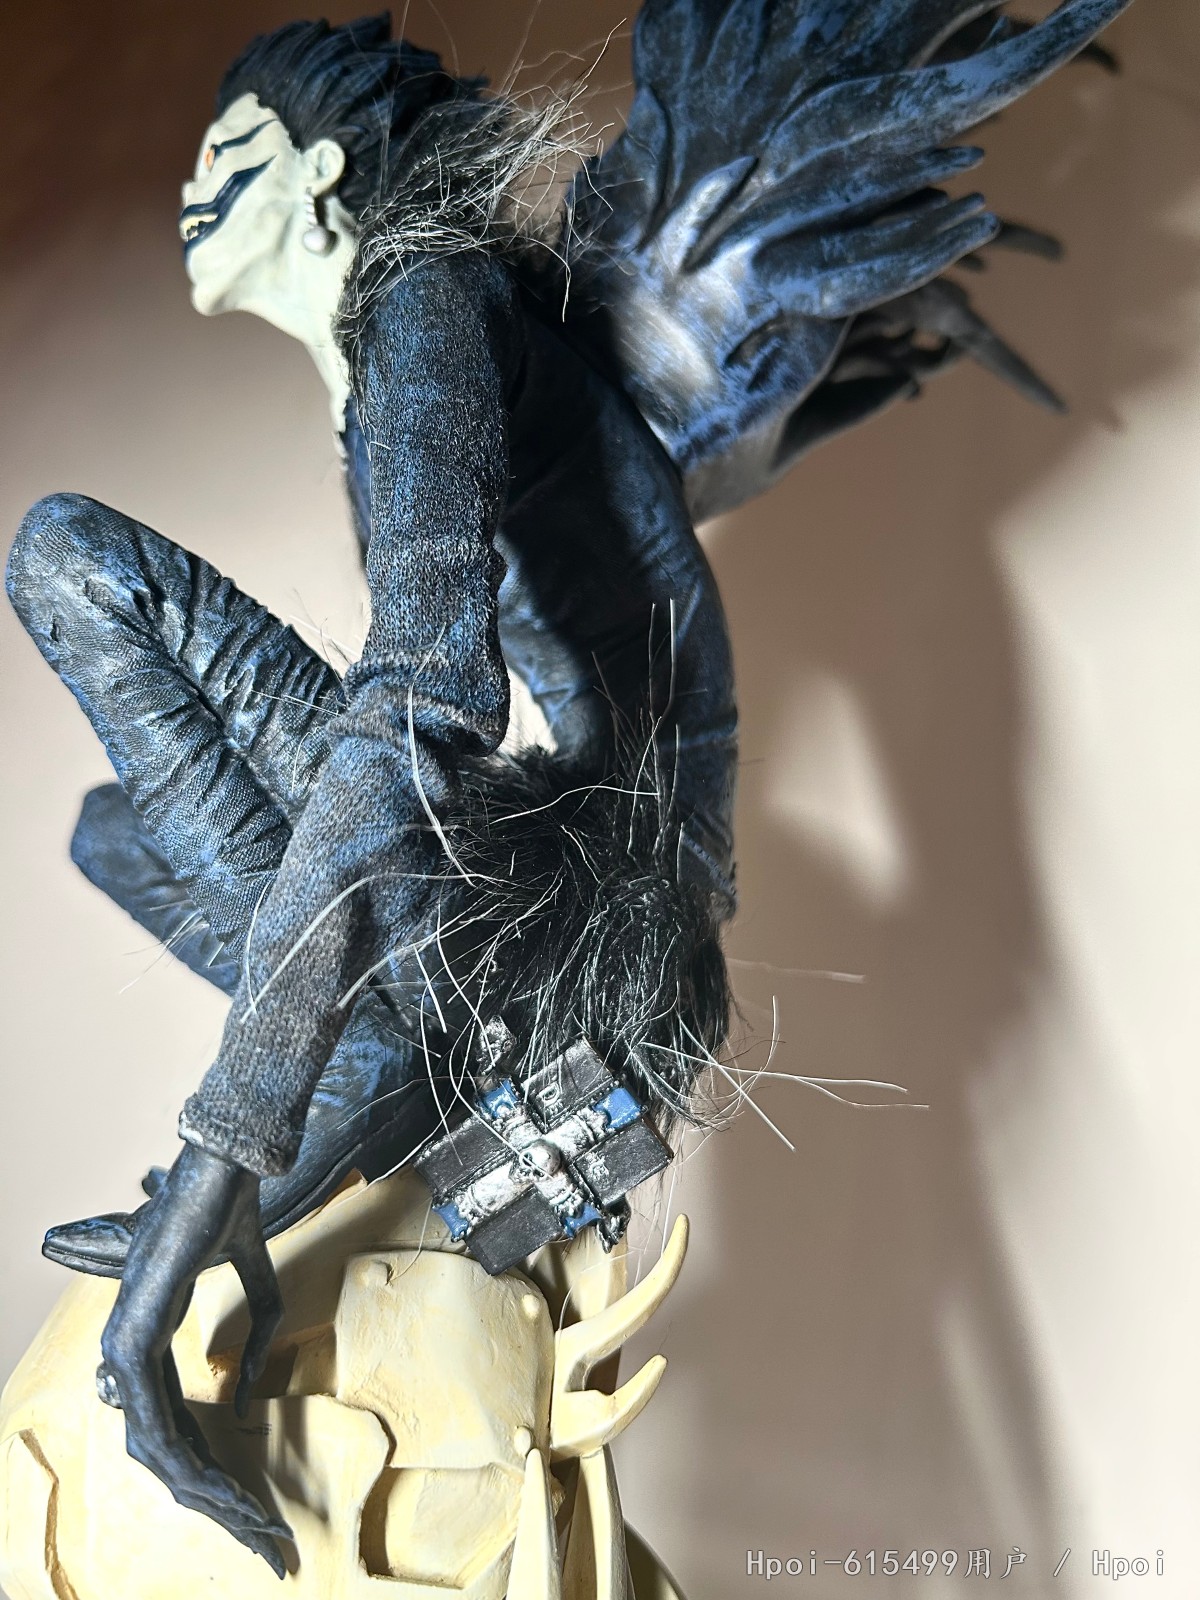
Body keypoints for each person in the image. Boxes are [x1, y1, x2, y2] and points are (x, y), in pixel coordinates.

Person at [5, 2, 1129, 1574]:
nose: (189, 186)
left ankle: (374, 1065)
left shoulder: (425, 303)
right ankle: (389, 1064)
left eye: (227, 154)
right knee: (114, 835)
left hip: (571, 958)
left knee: (70, 557)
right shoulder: (432, 336)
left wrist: (212, 1176)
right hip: (576, 967)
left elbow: (423, 711)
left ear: (321, 177)